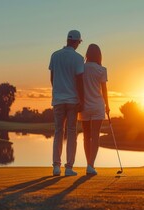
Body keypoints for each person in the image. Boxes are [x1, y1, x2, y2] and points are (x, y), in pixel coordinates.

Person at [49, 30, 85, 176]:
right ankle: (69, 168)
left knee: (58, 132)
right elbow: (79, 81)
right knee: (71, 133)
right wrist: (82, 100)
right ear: (76, 42)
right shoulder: (78, 58)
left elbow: (52, 78)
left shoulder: (54, 55)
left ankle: (56, 167)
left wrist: (58, 92)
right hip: (72, 101)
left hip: (58, 100)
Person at [79, 44, 109, 175]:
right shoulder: (102, 69)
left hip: (84, 106)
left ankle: (88, 164)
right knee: (95, 136)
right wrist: (107, 106)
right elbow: (104, 90)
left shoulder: (81, 68)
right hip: (97, 105)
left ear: (87, 54)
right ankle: (91, 165)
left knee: (87, 136)